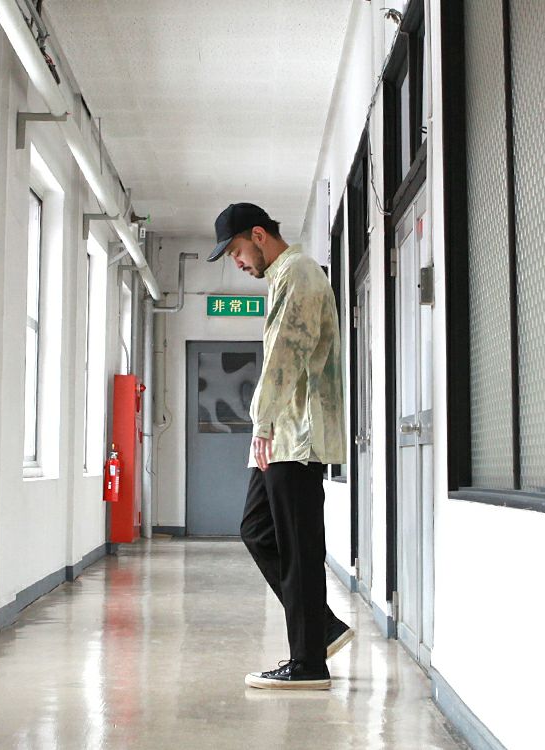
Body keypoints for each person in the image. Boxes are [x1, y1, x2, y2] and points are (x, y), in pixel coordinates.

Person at [207, 202, 351, 690]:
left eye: (236, 251)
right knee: (257, 529)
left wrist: (261, 421)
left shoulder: (300, 274)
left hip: (296, 435)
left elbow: (286, 354)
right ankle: (320, 628)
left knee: (299, 547)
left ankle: (308, 663)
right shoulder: (284, 278)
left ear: (258, 235)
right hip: (282, 434)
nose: (236, 262)